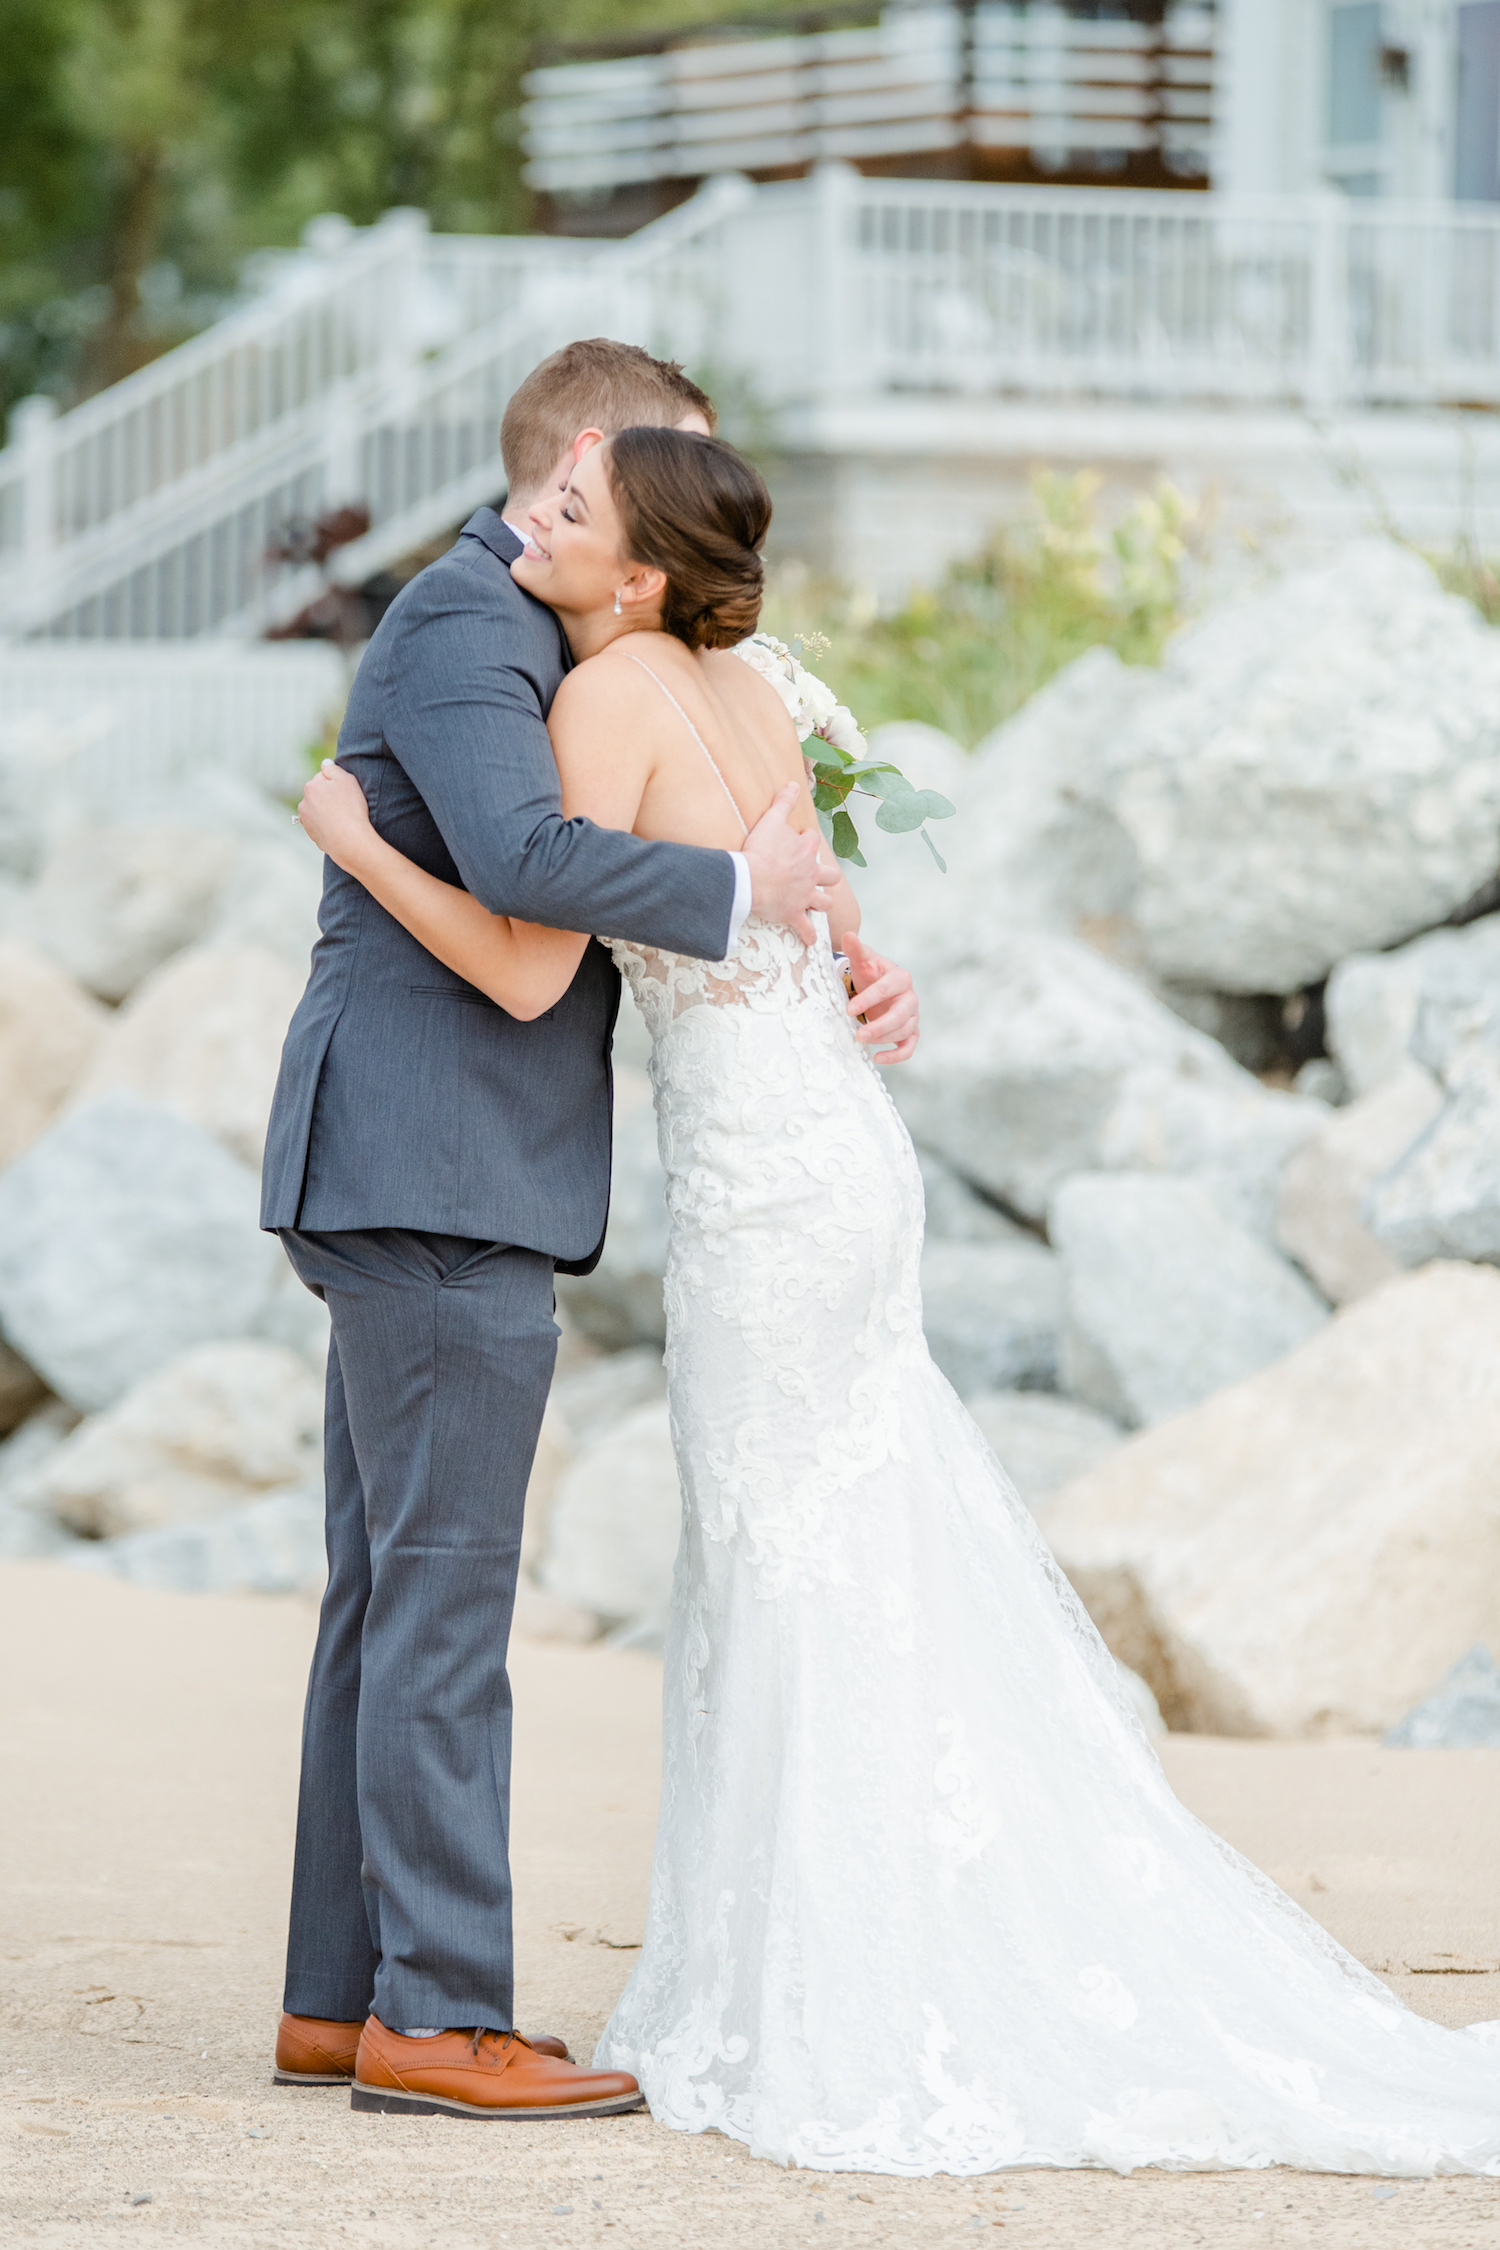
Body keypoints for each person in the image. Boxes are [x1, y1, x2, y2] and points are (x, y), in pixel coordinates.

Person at [296, 428, 1500, 2178]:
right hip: (841, 1156)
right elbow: (825, 916)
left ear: (636, 578)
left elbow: (524, 943)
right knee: (854, 1549)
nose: (521, 523)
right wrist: (861, 969)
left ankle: (822, 1982)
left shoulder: (612, 694)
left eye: (568, 509)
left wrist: (348, 830)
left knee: (782, 1566)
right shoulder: (756, 688)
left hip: (760, 1196)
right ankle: (844, 1945)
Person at [260, 341, 922, 2123]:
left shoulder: (590, 648)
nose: (671, 510)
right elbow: (522, 866)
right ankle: (443, 2015)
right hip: (434, 1163)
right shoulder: (474, 627)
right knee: (445, 1606)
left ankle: (346, 1997)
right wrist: (740, 895)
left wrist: (824, 927)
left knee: (389, 1595)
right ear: (583, 455)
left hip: (440, 1161)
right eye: (656, 470)